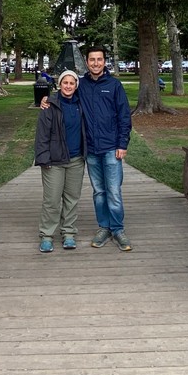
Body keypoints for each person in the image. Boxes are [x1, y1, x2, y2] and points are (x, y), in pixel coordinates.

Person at [80, 46, 133, 250]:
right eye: (92, 59)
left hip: (112, 148)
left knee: (113, 191)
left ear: (104, 62)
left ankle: (118, 229)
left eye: (99, 59)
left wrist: (122, 144)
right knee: (99, 191)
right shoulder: (81, 85)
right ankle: (104, 227)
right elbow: (65, 97)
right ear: (87, 62)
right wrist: (45, 100)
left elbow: (124, 116)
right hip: (91, 149)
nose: (95, 63)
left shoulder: (114, 85)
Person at [32, 70, 85, 253]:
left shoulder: (81, 104)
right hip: (54, 161)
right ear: (59, 84)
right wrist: (43, 158)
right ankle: (46, 235)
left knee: (71, 199)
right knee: (52, 200)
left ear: (76, 85)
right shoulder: (50, 106)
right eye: (65, 82)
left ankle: (68, 232)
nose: (68, 86)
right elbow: (41, 136)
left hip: (76, 159)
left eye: (72, 83)